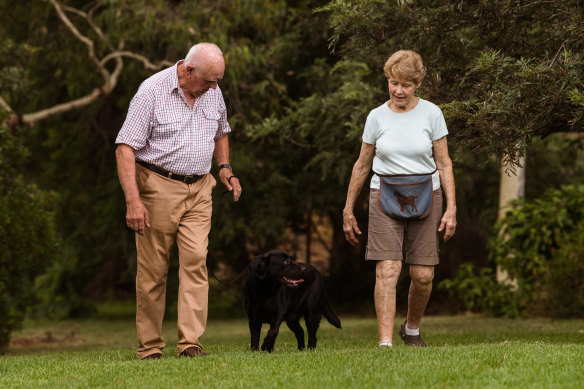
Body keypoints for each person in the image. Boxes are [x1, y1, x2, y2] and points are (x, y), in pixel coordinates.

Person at [115, 42, 242, 360]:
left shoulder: (212, 90)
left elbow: (221, 130)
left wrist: (224, 168)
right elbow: (125, 148)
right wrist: (133, 200)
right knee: (154, 270)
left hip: (200, 188)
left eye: (218, 80)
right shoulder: (152, 91)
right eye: (210, 81)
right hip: (158, 187)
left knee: (196, 260)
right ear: (189, 70)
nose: (215, 87)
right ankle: (150, 347)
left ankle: (190, 343)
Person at [342, 50, 456, 347]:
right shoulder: (376, 117)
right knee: (388, 269)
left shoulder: (432, 113)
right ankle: (385, 342)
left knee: (422, 276)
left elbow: (444, 163)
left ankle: (412, 327)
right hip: (385, 194)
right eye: (393, 82)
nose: (398, 90)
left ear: (417, 83)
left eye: (405, 84)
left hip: (427, 195)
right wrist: (348, 210)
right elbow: (362, 165)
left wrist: (452, 209)